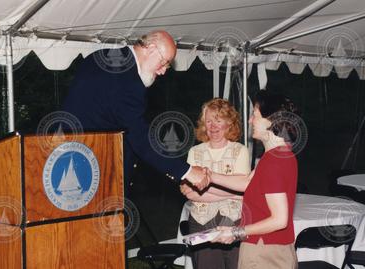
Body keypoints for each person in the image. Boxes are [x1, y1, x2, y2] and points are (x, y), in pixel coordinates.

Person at [62, 30, 207, 191]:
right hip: (96, 174)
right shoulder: (128, 83)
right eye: (164, 62)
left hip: (67, 158)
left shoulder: (101, 56)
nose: (163, 71)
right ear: (151, 48)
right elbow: (140, 138)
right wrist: (186, 171)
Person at [208, 91, 299, 269]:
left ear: (271, 120)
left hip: (264, 251)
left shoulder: (274, 161)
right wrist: (208, 175)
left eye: (254, 115)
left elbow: (279, 219)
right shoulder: (278, 154)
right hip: (273, 248)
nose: (250, 121)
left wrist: (236, 232)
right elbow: (247, 183)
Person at [180, 98, 250, 269]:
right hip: (201, 222)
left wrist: (205, 189)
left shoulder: (240, 151)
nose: (212, 126)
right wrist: (234, 193)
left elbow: (244, 188)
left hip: (235, 222)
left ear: (229, 123)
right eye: (209, 121)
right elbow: (189, 193)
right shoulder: (195, 152)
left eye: (218, 120)